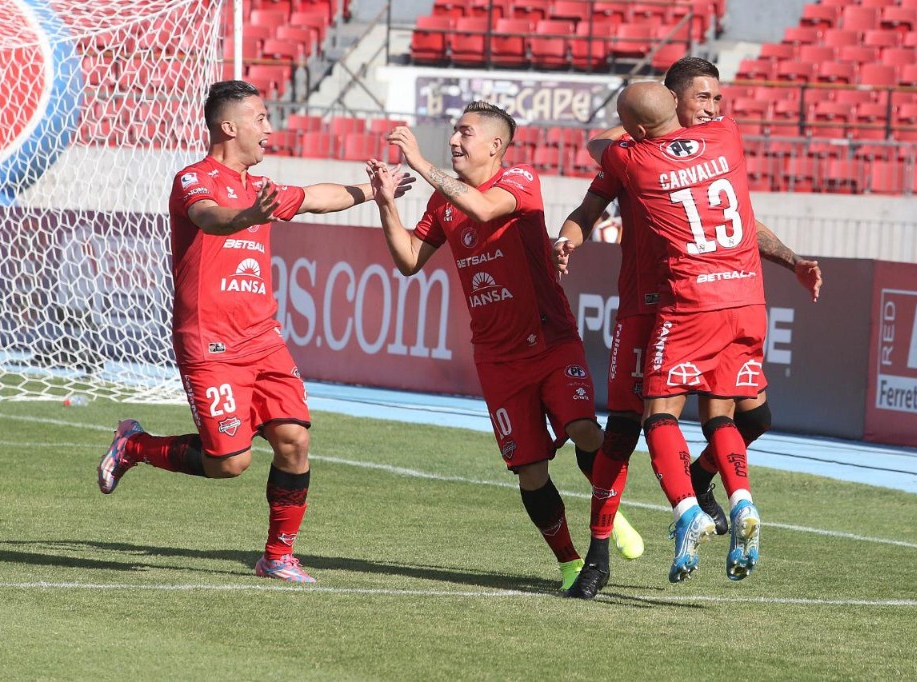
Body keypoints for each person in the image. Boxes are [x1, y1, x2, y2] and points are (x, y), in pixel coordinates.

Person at [96, 80, 413, 583]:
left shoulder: (260, 188)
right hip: (210, 342)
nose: (270, 128)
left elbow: (315, 197)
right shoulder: (192, 179)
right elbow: (211, 218)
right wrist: (248, 215)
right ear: (229, 126)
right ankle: (134, 445)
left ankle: (277, 555)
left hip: (263, 338)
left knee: (294, 441)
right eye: (261, 118)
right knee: (229, 463)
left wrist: (371, 193)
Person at [558, 58, 821, 598]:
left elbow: (745, 221)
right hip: (647, 309)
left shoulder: (649, 151)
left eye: (718, 101)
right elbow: (587, 208)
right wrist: (568, 239)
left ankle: (696, 483)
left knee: (755, 415)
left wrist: (791, 259)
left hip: (691, 305)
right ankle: (599, 555)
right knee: (625, 431)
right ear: (674, 102)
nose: (714, 109)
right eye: (703, 98)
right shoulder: (680, 148)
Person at [365, 101, 643, 592]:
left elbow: (485, 208)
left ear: (495, 145)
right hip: (496, 357)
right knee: (530, 471)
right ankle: (570, 564)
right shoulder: (442, 202)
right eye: (453, 131)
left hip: (551, 340)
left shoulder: (519, 181)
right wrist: (386, 202)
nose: (454, 140)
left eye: (465, 133)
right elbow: (409, 260)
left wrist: (421, 163)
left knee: (583, 429)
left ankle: (608, 514)